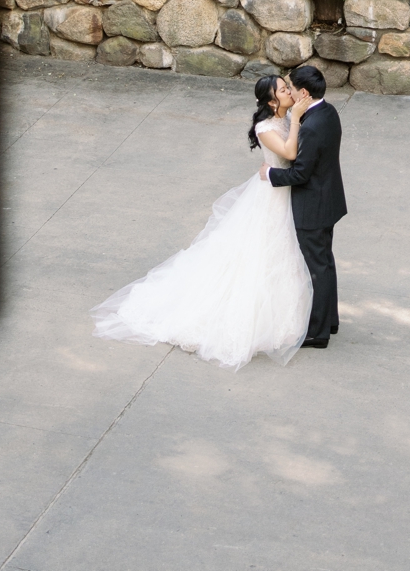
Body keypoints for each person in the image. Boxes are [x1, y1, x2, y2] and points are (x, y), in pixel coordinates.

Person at [90, 74, 313, 368]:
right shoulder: (267, 127)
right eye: (284, 90)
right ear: (272, 101)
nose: (289, 93)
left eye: (287, 88)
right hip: (271, 196)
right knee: (260, 252)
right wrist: (296, 119)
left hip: (282, 188)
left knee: (281, 252)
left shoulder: (285, 117)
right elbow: (290, 152)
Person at [262, 62, 347, 349]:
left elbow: (300, 174)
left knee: (317, 267)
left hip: (313, 206)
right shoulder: (329, 111)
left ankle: (318, 333)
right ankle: (330, 320)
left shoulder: (309, 127)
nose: (288, 91)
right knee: (326, 262)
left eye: (290, 88)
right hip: (331, 199)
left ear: (304, 93)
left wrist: (270, 174)